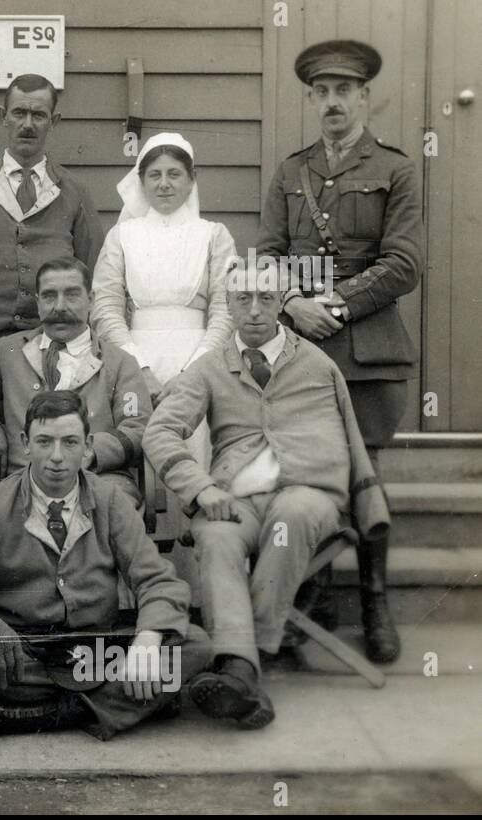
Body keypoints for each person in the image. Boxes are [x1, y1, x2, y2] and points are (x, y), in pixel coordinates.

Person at [142, 269, 389, 728]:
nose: (253, 309)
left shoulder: (316, 364)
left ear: (281, 304)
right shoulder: (210, 368)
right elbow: (159, 432)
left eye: (265, 298)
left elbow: (350, 438)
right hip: (235, 495)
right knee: (216, 537)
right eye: (241, 299)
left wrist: (358, 498)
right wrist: (201, 488)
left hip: (308, 489)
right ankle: (243, 679)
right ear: (228, 307)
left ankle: (239, 660)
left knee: (292, 516)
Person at [0, 390, 210, 740]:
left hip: (96, 650)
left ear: (88, 445)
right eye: (44, 441)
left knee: (195, 644)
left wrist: (147, 640)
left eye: (70, 442)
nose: (56, 457)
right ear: (25, 444)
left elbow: (157, 581)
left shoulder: (110, 500)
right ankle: (134, 700)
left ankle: (34, 715)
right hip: (21, 651)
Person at [256, 40, 421, 664]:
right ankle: (312, 599)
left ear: (363, 97)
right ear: (311, 99)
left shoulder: (397, 169)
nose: (332, 102)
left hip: (370, 351)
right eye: (321, 92)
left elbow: (403, 264)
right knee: (305, 472)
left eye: (343, 91)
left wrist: (335, 305)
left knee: (366, 475)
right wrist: (293, 301)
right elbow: (266, 254)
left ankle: (375, 602)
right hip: (300, 349)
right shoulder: (291, 171)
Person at [0, 74, 104, 364]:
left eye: (39, 115)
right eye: (19, 113)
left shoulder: (75, 191)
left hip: (54, 340)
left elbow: (92, 268)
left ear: (54, 121)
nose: (28, 124)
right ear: (3, 116)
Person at [0, 257, 150, 505]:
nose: (59, 307)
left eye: (71, 295)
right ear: (37, 303)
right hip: (21, 480)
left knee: (111, 509)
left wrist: (88, 452)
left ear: (90, 300)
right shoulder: (8, 351)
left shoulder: (120, 362)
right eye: (49, 296)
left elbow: (137, 428)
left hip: (98, 478)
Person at [91, 132, 235, 410]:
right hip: (133, 360)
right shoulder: (120, 236)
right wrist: (139, 370)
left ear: (191, 180)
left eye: (174, 174)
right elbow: (105, 309)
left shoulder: (214, 235)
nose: (164, 184)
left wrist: (192, 373)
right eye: (155, 175)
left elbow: (226, 309)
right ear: (142, 182)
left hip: (199, 363)